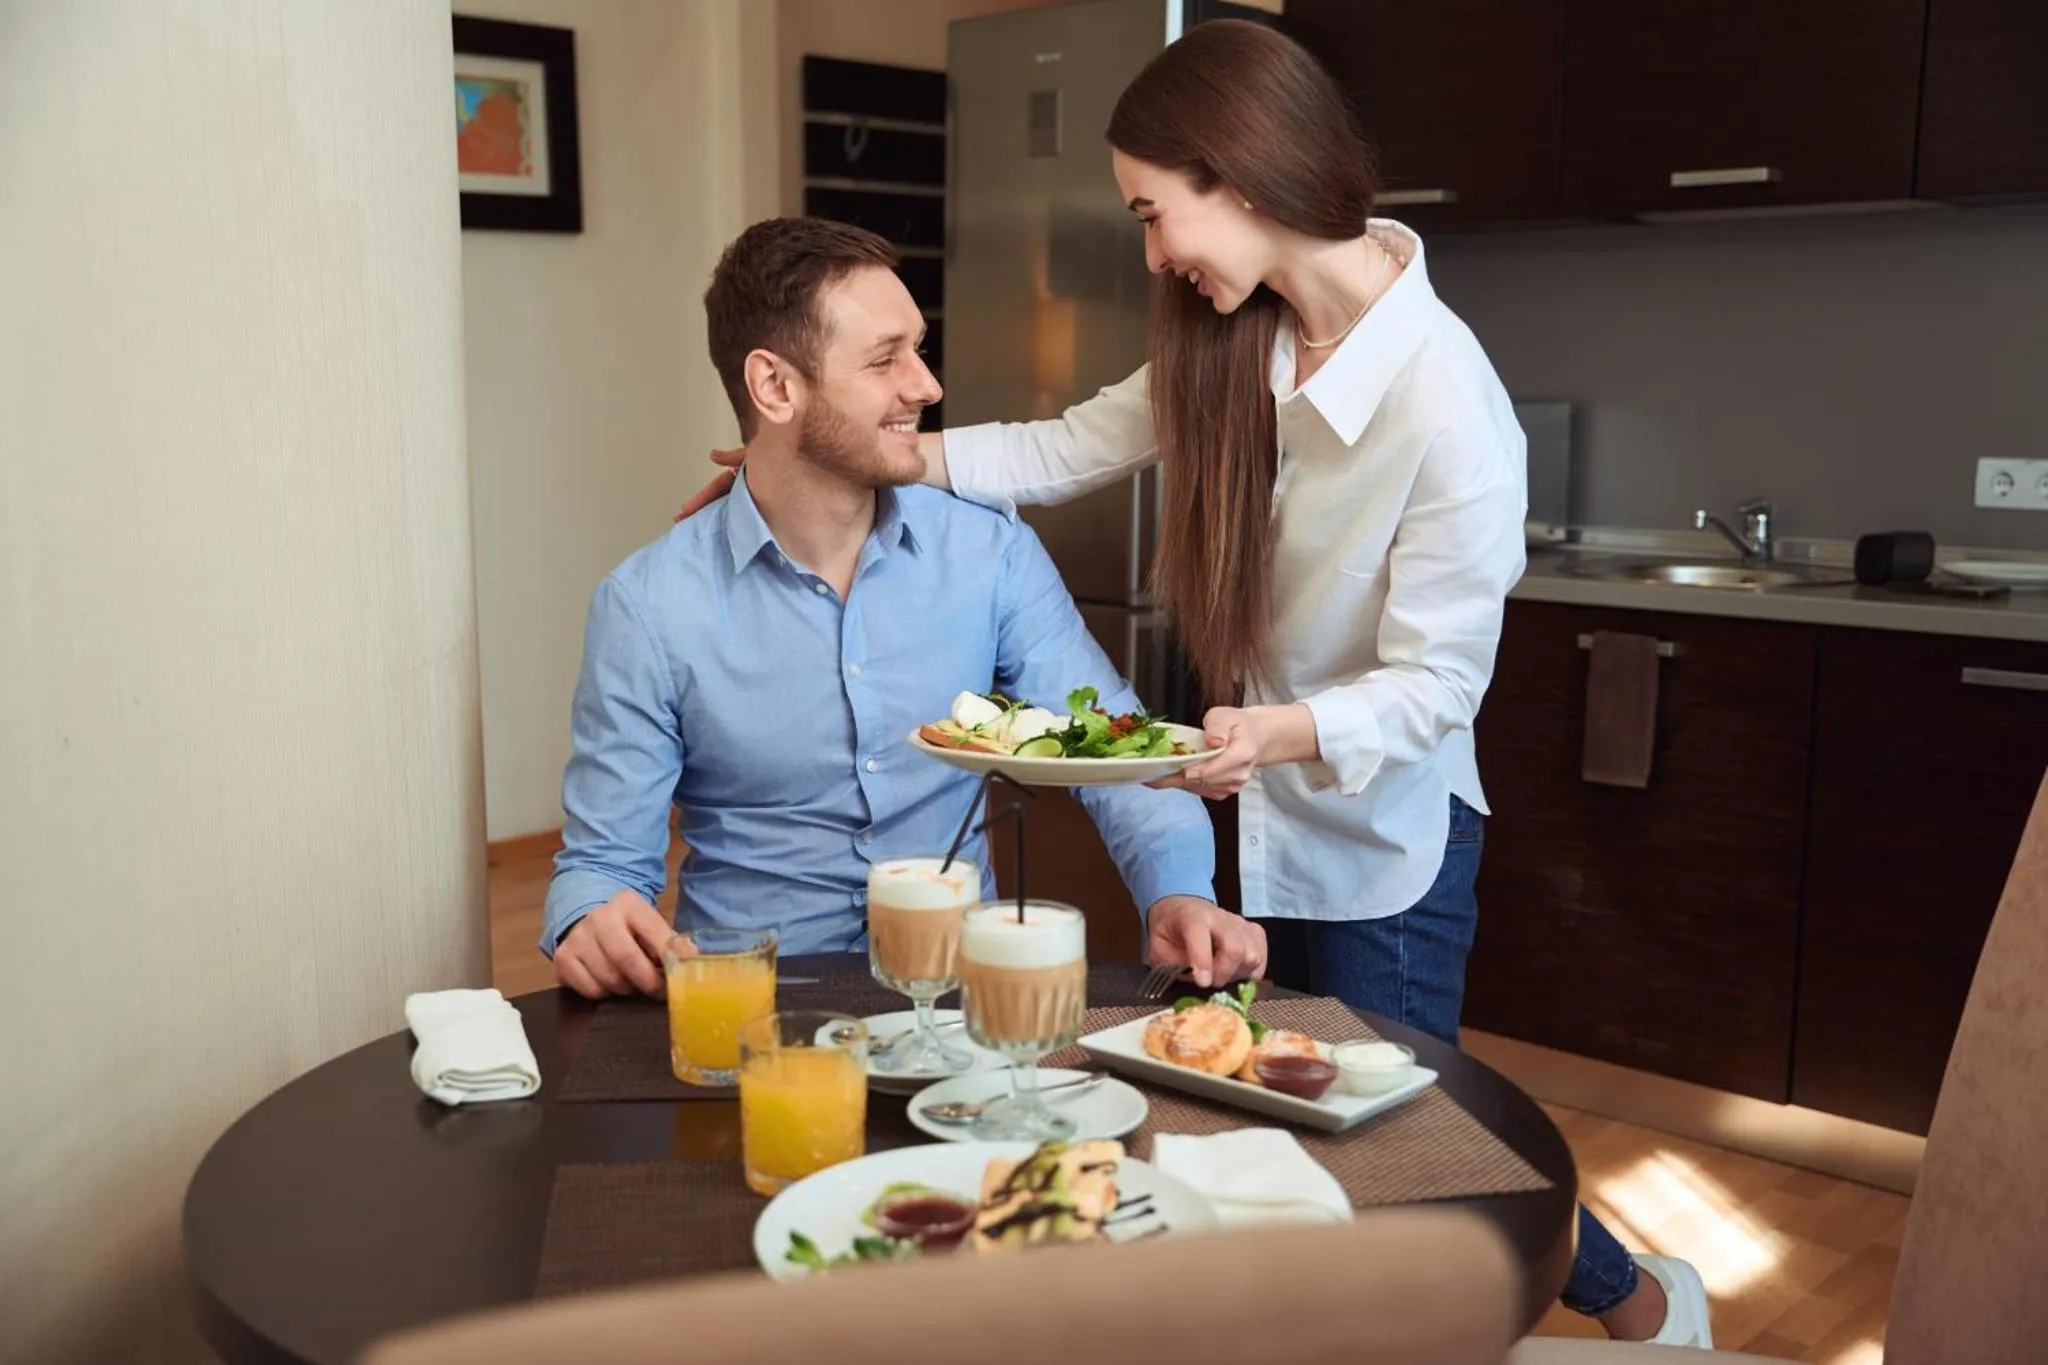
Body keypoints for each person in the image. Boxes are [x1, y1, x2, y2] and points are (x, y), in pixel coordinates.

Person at [676, 20, 1710, 1351]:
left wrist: (1278, 733)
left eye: (1155, 213)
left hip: (1386, 837)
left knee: (1405, 1145)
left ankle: (1641, 1306)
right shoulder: (1238, 347)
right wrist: (854, 458)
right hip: (1259, 801)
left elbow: (1438, 688)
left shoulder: (1451, 406)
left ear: (1244, 176)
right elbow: (1061, 446)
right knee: (1270, 1103)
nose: (1152, 252)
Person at [541, 215, 1260, 1004]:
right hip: (753, 1012)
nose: (926, 385)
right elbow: (602, 865)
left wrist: (1181, 891)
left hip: (962, 1008)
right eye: (886, 360)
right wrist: (591, 919)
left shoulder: (990, 554)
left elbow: (1119, 753)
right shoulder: (648, 606)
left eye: (918, 348)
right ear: (775, 386)